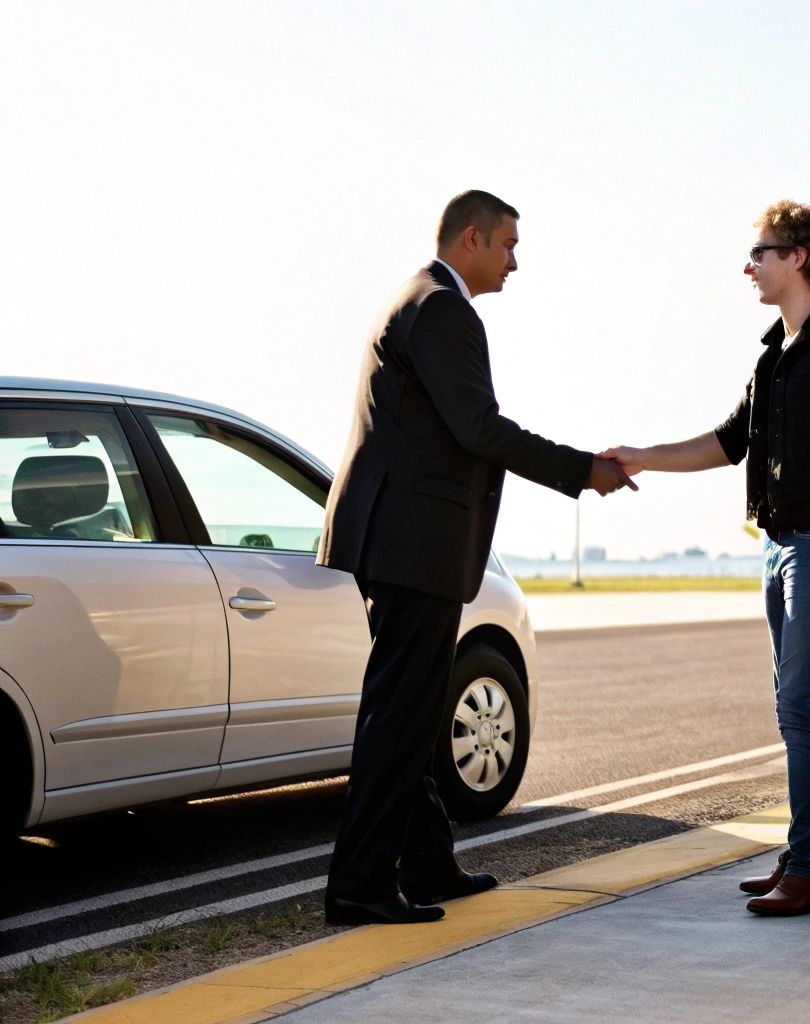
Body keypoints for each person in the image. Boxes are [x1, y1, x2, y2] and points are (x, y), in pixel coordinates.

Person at [317, 190, 635, 925]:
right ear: (471, 238)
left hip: (400, 540)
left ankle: (425, 864)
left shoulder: (417, 299)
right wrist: (581, 468)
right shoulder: (443, 309)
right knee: (399, 716)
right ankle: (359, 887)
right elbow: (479, 428)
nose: (515, 262)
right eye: (508, 246)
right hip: (412, 544)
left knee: (417, 711)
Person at [606, 200, 810, 916]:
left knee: (802, 703)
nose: (748, 265)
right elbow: (727, 443)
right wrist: (642, 458)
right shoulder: (772, 358)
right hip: (779, 547)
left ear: (799, 258)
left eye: (761, 252)